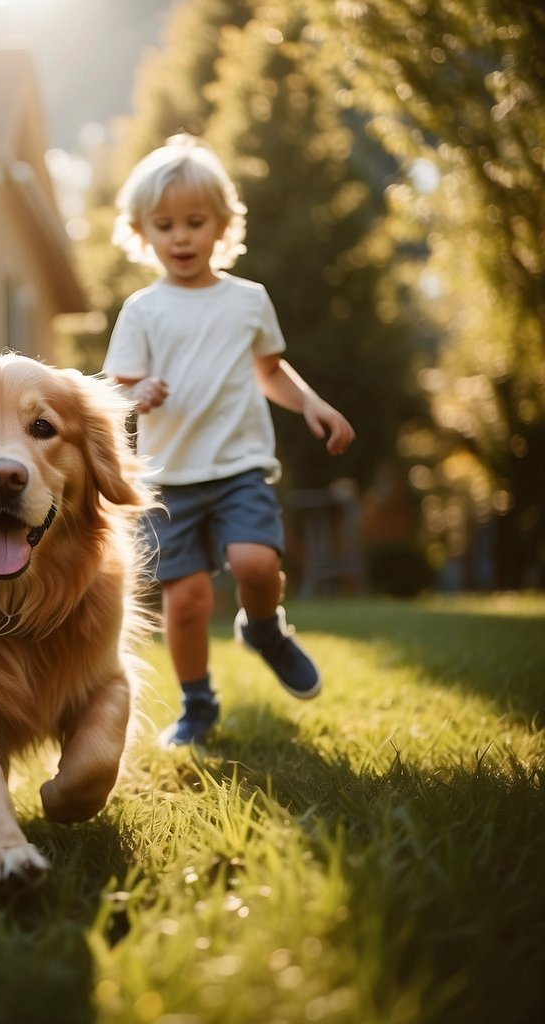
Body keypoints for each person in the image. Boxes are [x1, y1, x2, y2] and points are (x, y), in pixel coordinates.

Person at [103, 134, 356, 746]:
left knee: (256, 562)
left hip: (240, 465)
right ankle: (196, 705)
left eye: (196, 221)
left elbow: (269, 371)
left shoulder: (248, 301)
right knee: (186, 600)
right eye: (165, 225)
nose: (182, 236)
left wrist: (312, 403)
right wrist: (139, 395)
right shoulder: (142, 310)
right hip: (167, 477)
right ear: (142, 232)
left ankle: (265, 629)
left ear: (223, 225)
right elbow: (116, 388)